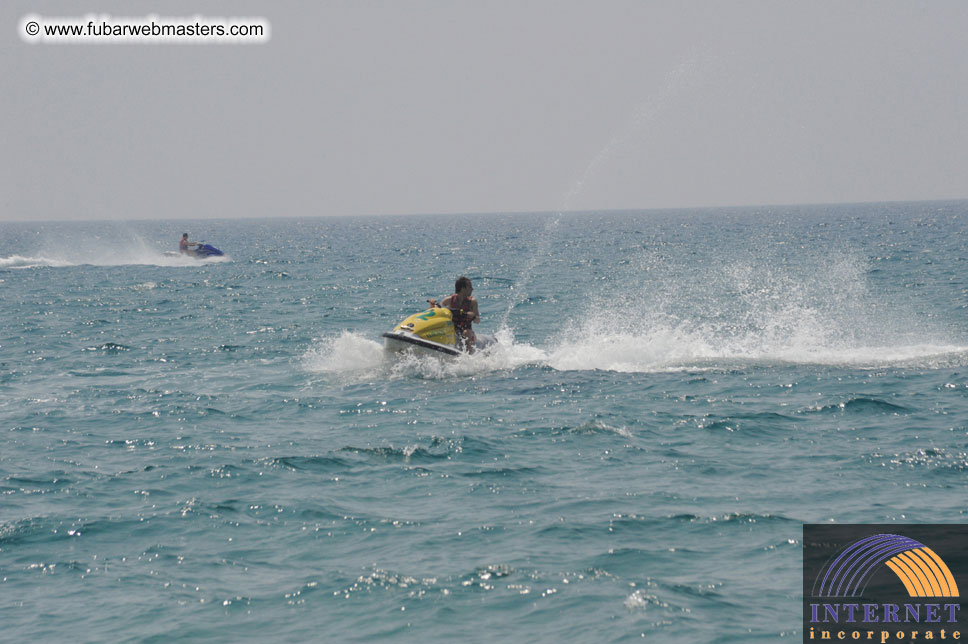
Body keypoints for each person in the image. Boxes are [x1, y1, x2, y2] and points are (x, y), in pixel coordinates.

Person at [428, 276, 480, 353]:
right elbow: (438, 312)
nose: (472, 289)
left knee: (466, 332)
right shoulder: (449, 300)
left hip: (466, 330)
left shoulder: (472, 302)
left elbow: (477, 321)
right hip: (451, 329)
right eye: (470, 287)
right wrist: (432, 305)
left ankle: (469, 356)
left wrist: (474, 316)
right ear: (463, 289)